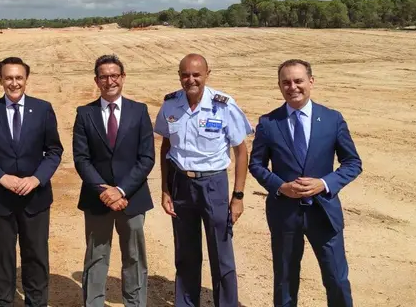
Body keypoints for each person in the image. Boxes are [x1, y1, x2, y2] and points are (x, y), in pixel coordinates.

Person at [248, 59, 362, 307]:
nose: (293, 87)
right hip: (285, 213)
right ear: (279, 86)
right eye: (286, 82)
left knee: (336, 278)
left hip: (324, 212)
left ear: (311, 81)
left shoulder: (332, 119)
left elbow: (352, 163)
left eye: (298, 81)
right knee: (285, 280)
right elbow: (256, 165)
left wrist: (324, 182)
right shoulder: (268, 123)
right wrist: (281, 186)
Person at [153, 53, 253, 307]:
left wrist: (238, 196)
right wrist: (165, 189)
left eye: (196, 74)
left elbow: (240, 150)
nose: (191, 80)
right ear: (179, 76)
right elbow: (166, 147)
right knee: (186, 253)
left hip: (214, 185)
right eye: (185, 75)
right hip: (181, 184)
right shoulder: (170, 104)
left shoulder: (224, 105)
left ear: (207, 74)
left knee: (221, 253)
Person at [0, 56, 64, 307]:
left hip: (35, 198)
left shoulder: (43, 109)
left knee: (36, 256)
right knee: (1, 258)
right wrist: (1, 177)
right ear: (0, 80)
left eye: (18, 78)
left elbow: (54, 151)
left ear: (26, 79)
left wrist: (36, 179)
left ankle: (37, 303)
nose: (14, 83)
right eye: (8, 78)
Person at [72, 54, 155, 306]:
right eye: (104, 76)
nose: (110, 81)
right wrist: (103, 191)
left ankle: (135, 303)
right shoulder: (84, 113)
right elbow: (81, 159)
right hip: (97, 199)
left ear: (123, 77)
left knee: (134, 257)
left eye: (114, 75)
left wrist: (120, 190)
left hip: (133, 197)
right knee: (97, 256)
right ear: (96, 81)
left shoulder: (139, 111)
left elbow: (146, 157)